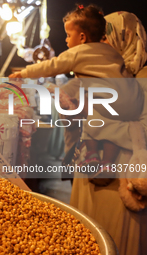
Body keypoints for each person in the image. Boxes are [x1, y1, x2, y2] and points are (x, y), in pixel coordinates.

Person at [10, 5, 144, 184]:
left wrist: (24, 73)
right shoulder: (112, 52)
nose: (65, 40)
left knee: (90, 119)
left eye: (68, 35)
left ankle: (93, 154)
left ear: (82, 37)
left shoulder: (78, 52)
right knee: (110, 120)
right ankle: (108, 163)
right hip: (132, 99)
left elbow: (51, 66)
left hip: (112, 99)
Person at [69, 11, 147, 255]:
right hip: (90, 172)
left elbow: (143, 129)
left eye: (105, 38)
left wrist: (96, 125)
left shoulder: (143, 78)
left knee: (115, 242)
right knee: (85, 237)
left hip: (123, 179)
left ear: (125, 38)